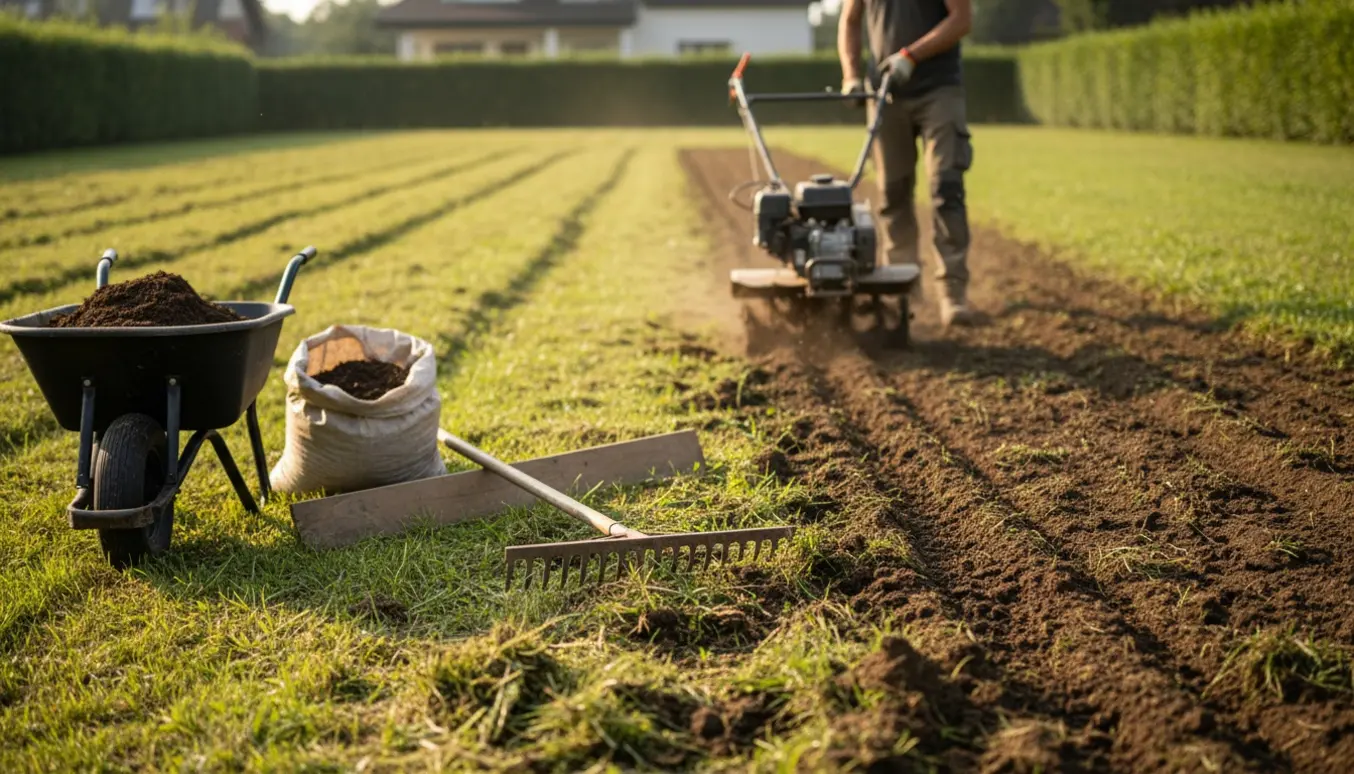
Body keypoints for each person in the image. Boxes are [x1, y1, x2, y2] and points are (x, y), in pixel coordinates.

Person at [838, 0, 976, 327]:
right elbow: (849, 21)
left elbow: (962, 19)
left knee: (946, 187)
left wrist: (911, 55)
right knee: (893, 194)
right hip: (886, 93)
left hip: (938, 90)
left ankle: (952, 293)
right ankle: (902, 290)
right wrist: (851, 75)